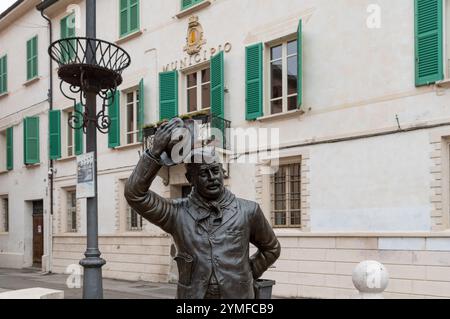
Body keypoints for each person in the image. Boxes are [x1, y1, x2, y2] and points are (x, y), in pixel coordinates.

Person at [125, 118, 281, 299]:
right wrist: (154, 154)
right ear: (190, 179)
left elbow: (271, 249)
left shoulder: (248, 210)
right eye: (203, 173)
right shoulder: (176, 213)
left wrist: (243, 275)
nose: (212, 177)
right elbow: (135, 195)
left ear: (222, 172)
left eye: (215, 171)